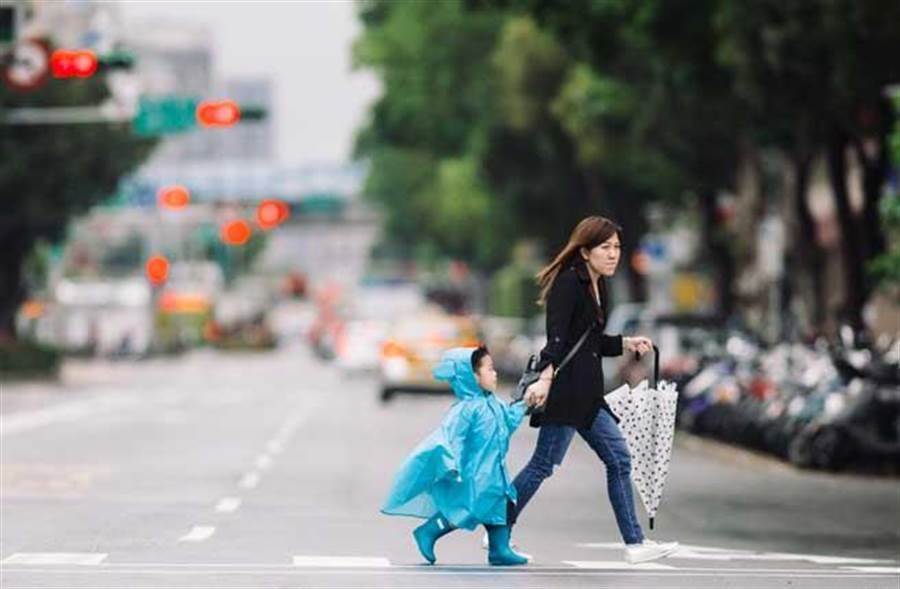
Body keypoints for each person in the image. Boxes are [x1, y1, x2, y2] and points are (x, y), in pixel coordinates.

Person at [511, 215, 679, 564]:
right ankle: (498, 526)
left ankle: (634, 544)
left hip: (587, 395)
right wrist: (545, 378)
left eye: (617, 247)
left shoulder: (595, 284)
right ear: (585, 251)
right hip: (568, 393)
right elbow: (557, 339)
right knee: (543, 465)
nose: (613, 254)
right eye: (605, 247)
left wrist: (626, 342)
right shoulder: (569, 284)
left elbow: (587, 342)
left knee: (618, 459)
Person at [381, 346, 531, 566]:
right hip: (475, 475)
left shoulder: (495, 404)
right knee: (469, 509)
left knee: (503, 504)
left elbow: (507, 422)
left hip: (496, 473)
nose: (495, 373)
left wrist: (524, 405)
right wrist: (451, 464)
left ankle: (500, 549)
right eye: (489, 369)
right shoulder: (465, 410)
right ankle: (429, 531)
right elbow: (451, 438)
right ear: (472, 376)